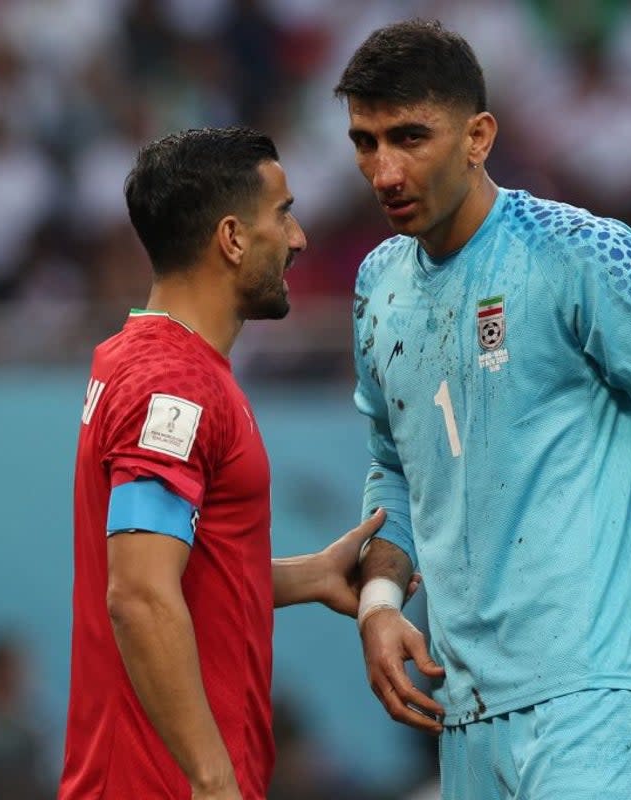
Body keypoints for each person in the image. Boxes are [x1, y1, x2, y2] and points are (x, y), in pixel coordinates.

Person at [336, 20, 631, 799]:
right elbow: (393, 464)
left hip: (592, 708)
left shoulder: (578, 253)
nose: (384, 170)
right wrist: (379, 601)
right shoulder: (377, 285)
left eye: (409, 137)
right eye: (365, 142)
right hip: (463, 719)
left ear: (478, 136)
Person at [59, 127, 396, 800]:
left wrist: (307, 576)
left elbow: (171, 568)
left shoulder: (143, 360)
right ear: (233, 238)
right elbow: (139, 595)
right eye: (283, 214)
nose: (298, 239)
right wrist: (212, 779)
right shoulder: (172, 386)